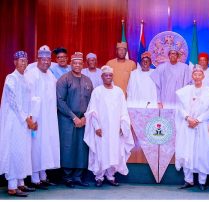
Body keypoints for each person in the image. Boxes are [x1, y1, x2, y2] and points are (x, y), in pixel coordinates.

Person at [84, 65, 134, 187]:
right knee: (101, 151)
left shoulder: (118, 91)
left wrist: (123, 126)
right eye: (105, 75)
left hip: (115, 129)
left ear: (112, 76)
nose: (108, 77)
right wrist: (96, 127)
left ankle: (111, 176)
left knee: (114, 151)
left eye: (110, 75)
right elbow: (92, 111)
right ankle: (99, 177)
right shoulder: (97, 91)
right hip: (102, 129)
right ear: (102, 77)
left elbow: (123, 111)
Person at [0, 51, 36, 197]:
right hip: (14, 122)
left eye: (25, 60)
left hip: (25, 122)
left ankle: (21, 183)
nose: (23, 63)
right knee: (14, 152)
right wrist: (26, 118)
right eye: (21, 60)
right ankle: (12, 186)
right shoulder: (11, 78)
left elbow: (28, 101)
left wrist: (31, 117)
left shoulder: (25, 79)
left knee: (23, 151)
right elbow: (13, 102)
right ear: (15, 62)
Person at [25, 45, 60, 189]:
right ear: (38, 59)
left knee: (46, 145)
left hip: (49, 117)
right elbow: (28, 97)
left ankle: (43, 175)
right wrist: (32, 118)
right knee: (36, 146)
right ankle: (34, 177)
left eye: (48, 59)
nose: (46, 62)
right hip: (37, 118)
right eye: (43, 59)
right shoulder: (31, 74)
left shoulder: (50, 75)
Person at [56, 52, 93, 188]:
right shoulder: (64, 79)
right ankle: (67, 177)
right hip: (67, 119)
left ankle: (78, 177)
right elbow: (60, 101)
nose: (77, 65)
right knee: (68, 147)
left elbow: (92, 102)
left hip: (83, 120)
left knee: (81, 148)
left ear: (83, 65)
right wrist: (73, 117)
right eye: (75, 63)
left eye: (79, 63)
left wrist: (85, 117)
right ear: (71, 64)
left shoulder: (88, 80)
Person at [175, 67, 209, 191]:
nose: (197, 76)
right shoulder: (185, 91)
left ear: (203, 76)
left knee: (202, 153)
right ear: (192, 76)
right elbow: (180, 108)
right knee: (187, 152)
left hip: (201, 126)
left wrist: (198, 120)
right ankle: (189, 180)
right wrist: (188, 118)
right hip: (187, 125)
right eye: (195, 74)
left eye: (199, 74)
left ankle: (202, 181)